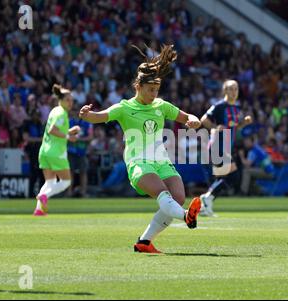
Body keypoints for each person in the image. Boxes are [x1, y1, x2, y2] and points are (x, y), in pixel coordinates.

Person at [79, 44, 202, 254]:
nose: (154, 94)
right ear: (139, 86)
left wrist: (194, 121)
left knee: (178, 197)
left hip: (161, 161)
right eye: (150, 89)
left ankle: (144, 242)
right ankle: (185, 216)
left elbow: (188, 116)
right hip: (139, 162)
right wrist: (85, 114)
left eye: (156, 90)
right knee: (164, 195)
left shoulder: (161, 106)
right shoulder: (124, 107)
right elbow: (99, 117)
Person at [199, 80, 252, 216]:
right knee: (234, 176)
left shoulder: (237, 109)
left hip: (227, 147)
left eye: (236, 89)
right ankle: (207, 198)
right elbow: (204, 119)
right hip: (218, 145)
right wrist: (215, 127)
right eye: (230, 89)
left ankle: (206, 205)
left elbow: (234, 127)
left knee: (221, 178)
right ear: (225, 91)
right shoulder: (219, 106)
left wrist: (243, 123)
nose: (234, 92)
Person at [33, 84, 81, 216]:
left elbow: (55, 131)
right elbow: (52, 130)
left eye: (72, 100)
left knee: (50, 182)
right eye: (68, 100)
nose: (70, 103)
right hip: (56, 152)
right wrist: (68, 137)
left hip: (44, 151)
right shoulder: (61, 113)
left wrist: (70, 131)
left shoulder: (55, 110)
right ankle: (44, 195)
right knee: (66, 182)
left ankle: (39, 209)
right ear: (61, 100)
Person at [67, 104, 93, 197]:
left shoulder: (87, 123)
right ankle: (69, 192)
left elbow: (90, 137)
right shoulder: (69, 122)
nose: (74, 112)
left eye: (76, 110)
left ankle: (83, 192)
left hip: (82, 151)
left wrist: (78, 139)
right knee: (70, 172)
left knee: (83, 172)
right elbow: (65, 135)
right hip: (71, 150)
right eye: (73, 110)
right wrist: (71, 138)